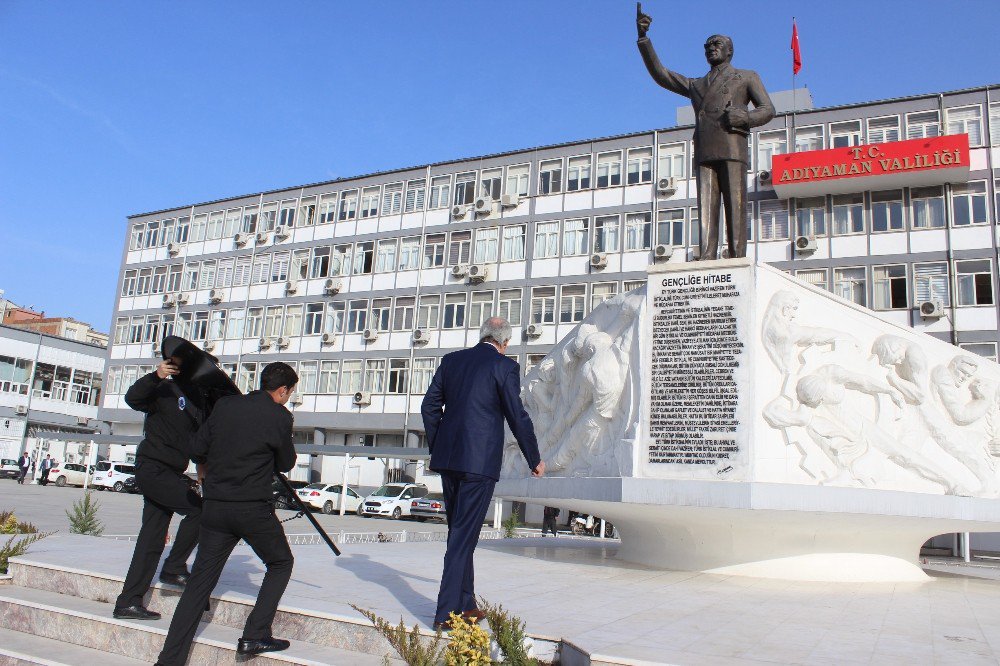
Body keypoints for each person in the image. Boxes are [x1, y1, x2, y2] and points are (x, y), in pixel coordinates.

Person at [155, 362, 298, 665]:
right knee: (281, 562)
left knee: (199, 583)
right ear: (283, 390)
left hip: (216, 508)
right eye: (290, 393)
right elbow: (286, 463)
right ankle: (254, 634)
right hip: (252, 509)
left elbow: (196, 448)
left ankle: (170, 659)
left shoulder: (226, 406)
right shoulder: (280, 417)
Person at [421, 317, 545, 630]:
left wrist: (440, 445)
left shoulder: (452, 361)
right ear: (504, 344)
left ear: (482, 336)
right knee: (462, 537)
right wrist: (534, 458)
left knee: (460, 534)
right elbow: (517, 416)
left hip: (449, 461)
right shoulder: (504, 367)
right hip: (478, 464)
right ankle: (446, 613)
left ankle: (466, 603)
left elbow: (429, 407)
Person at [636, 4, 774, 260]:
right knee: (706, 207)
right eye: (707, 45)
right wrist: (644, 39)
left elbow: (767, 109)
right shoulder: (697, 84)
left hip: (732, 145)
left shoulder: (746, 77)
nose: (711, 47)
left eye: (716, 43)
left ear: (730, 51)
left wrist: (745, 117)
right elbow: (661, 74)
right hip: (705, 149)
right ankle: (708, 254)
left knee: (735, 203)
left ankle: (736, 256)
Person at [113, 349, 205, 620]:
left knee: (151, 539)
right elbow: (133, 398)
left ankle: (128, 602)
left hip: (171, 471)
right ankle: (174, 567)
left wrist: (201, 464)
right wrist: (156, 375)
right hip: (152, 467)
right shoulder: (163, 389)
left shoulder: (196, 402)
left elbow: (198, 440)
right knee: (199, 510)